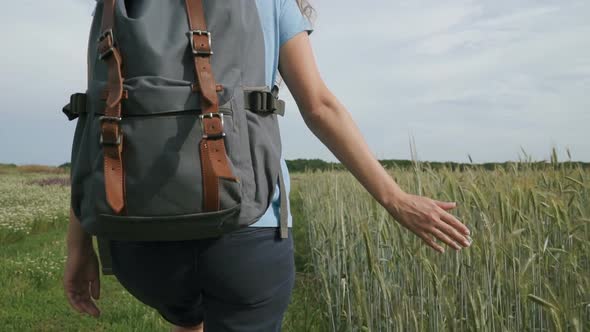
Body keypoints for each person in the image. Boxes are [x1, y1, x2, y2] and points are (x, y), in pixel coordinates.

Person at [63, 1, 472, 331]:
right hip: (248, 232)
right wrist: (395, 198)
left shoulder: (118, 4)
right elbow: (319, 107)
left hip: (137, 237)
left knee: (186, 320)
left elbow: (98, 123)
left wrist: (78, 246)